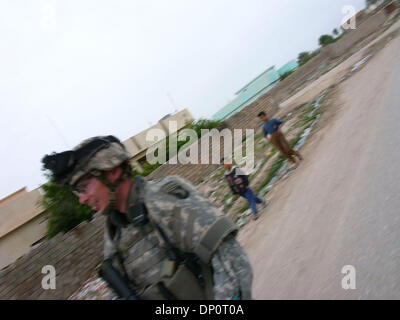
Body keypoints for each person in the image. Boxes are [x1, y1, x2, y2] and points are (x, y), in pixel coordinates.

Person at [41, 135, 253, 300]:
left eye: (83, 187)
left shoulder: (163, 199)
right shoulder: (114, 233)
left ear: (112, 171)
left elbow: (234, 266)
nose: (82, 199)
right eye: (77, 192)